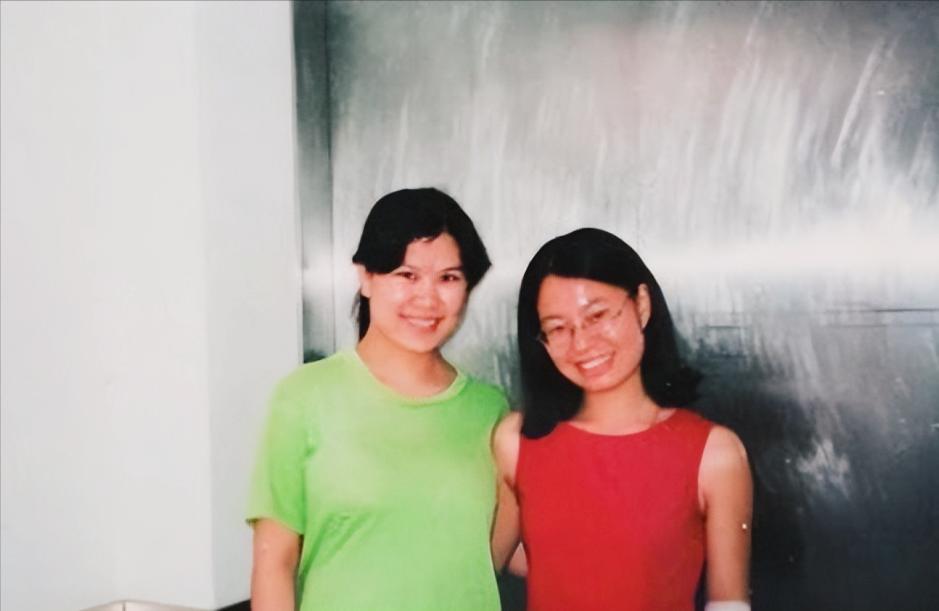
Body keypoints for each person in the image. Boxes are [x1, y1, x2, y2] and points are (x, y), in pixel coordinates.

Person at [248, 188, 508, 611]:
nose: (427, 298)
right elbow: (274, 563)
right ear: (366, 276)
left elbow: (487, 560)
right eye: (406, 275)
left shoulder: (490, 410)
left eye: (449, 278)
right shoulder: (304, 397)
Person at [491, 228, 753, 611]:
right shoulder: (517, 442)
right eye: (558, 328)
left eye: (597, 316)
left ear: (641, 304)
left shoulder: (714, 453)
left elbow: (728, 604)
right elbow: (488, 563)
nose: (582, 343)